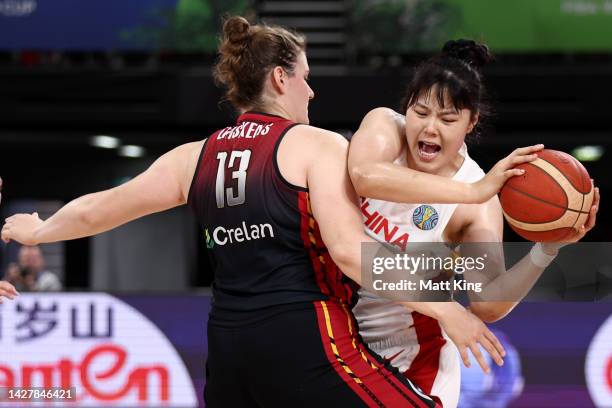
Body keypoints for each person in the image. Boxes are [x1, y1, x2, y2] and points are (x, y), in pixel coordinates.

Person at [2, 18, 537, 407]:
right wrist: (446, 306)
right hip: (311, 341)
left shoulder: (195, 156)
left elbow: (102, 209)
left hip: (229, 351)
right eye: (304, 76)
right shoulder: (317, 145)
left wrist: (43, 227)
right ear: (280, 79)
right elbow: (353, 251)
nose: (312, 88)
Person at [348, 39, 600, 407]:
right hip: (336, 331)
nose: (430, 128)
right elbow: (364, 176)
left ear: (471, 122)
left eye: (448, 119)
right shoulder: (385, 128)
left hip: (410, 359)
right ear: (407, 108)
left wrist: (546, 250)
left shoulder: (477, 204)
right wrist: (476, 191)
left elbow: (486, 303)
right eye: (421, 112)